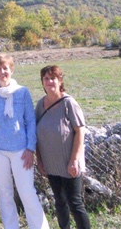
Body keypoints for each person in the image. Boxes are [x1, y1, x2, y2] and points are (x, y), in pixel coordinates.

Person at [0, 54, 49, 229]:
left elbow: (30, 121)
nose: (2, 72)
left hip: (21, 150)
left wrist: (30, 148)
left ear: (11, 70)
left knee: (27, 192)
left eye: (5, 68)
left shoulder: (22, 92)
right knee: (4, 194)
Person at [35, 65, 91, 229]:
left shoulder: (69, 103)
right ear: (42, 82)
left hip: (69, 163)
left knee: (75, 203)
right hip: (51, 163)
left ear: (60, 81)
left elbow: (80, 131)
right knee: (60, 202)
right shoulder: (40, 105)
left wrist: (74, 160)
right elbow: (35, 133)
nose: (49, 82)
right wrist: (40, 159)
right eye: (46, 78)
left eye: (53, 78)